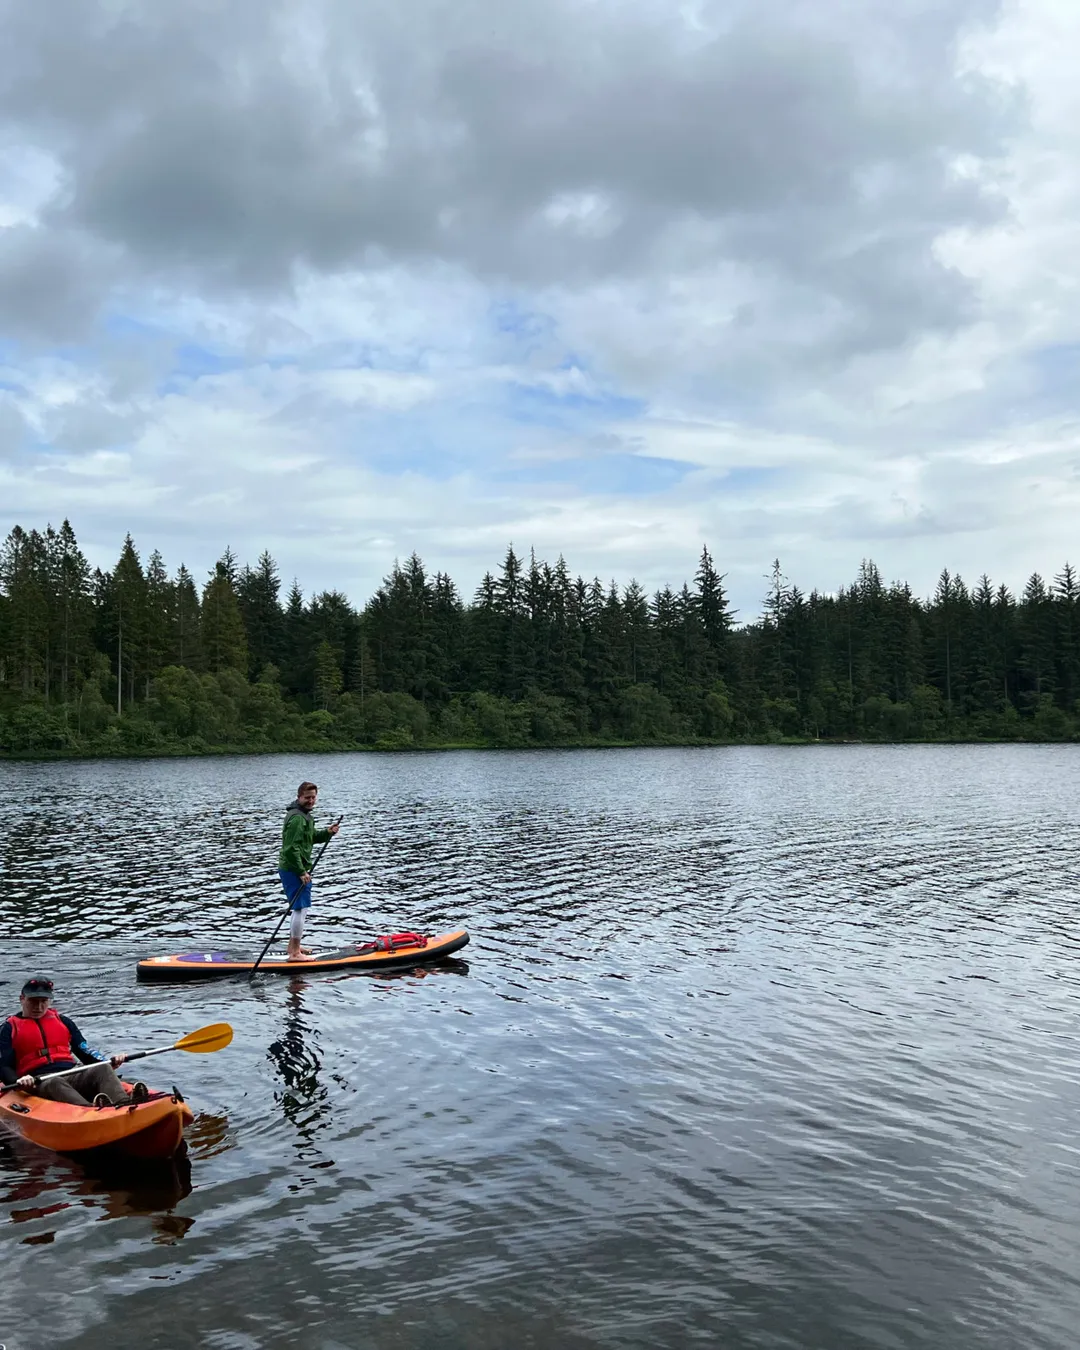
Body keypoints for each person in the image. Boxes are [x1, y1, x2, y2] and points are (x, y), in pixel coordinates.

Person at [0, 976, 148, 1107]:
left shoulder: (63, 1022)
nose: (39, 1007)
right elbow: (4, 1065)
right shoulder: (8, 1028)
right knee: (54, 1083)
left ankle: (124, 1103)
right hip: (38, 1081)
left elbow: (84, 1051)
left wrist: (108, 1061)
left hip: (71, 1073)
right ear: (22, 999)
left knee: (102, 1068)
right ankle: (90, 1110)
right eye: (33, 1001)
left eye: (43, 1001)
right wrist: (19, 1081)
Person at [278, 781, 340, 961]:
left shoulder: (305, 816)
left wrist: (327, 832)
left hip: (297, 867)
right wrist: (301, 872)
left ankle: (293, 946)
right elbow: (291, 849)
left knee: (300, 908)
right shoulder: (297, 818)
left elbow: (310, 838)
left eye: (313, 797)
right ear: (299, 797)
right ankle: (295, 953)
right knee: (300, 908)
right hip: (293, 869)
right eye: (307, 798)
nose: (311, 801)